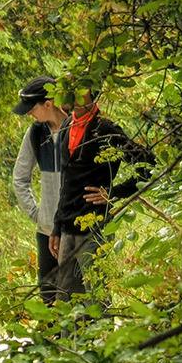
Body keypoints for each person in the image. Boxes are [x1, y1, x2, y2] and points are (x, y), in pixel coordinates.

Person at [52, 82, 153, 300]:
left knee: (97, 296)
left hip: (94, 224)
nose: (73, 90)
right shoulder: (67, 126)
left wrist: (113, 193)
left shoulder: (105, 130)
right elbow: (65, 182)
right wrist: (56, 226)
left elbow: (147, 165)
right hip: (68, 225)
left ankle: (103, 336)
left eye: (80, 86)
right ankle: (70, 337)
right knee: (65, 299)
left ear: (92, 92)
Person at [9, 75, 64, 308]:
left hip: (78, 228)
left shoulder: (77, 129)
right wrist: (37, 214)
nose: (30, 114)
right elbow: (20, 178)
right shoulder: (35, 133)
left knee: (83, 292)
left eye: (32, 109)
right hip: (47, 230)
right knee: (49, 297)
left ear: (48, 104)